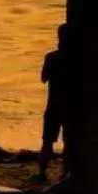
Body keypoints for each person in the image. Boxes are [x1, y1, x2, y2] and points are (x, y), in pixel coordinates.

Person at [37, 24, 71, 181]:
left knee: (47, 141)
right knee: (69, 143)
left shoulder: (51, 57)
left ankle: (42, 172)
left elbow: (44, 78)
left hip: (53, 104)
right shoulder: (77, 59)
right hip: (70, 106)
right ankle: (65, 172)